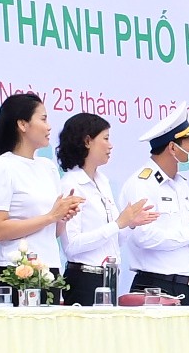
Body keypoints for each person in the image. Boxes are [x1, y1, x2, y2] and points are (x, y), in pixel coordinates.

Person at [119, 109, 189, 301]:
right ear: (172, 148)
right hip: (156, 288)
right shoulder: (142, 183)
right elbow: (144, 237)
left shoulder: (180, 183)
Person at [0, 92, 77, 289]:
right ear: (22, 125)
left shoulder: (48, 167)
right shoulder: (1, 167)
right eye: (43, 119)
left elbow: (51, 232)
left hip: (50, 269)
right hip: (14, 271)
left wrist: (63, 216)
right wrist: (50, 216)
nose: (49, 127)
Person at [58, 114, 154, 305]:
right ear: (87, 141)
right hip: (84, 278)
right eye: (106, 138)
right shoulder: (71, 184)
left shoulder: (103, 182)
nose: (110, 146)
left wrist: (129, 224)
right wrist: (118, 223)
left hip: (109, 277)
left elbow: (114, 239)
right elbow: (72, 246)